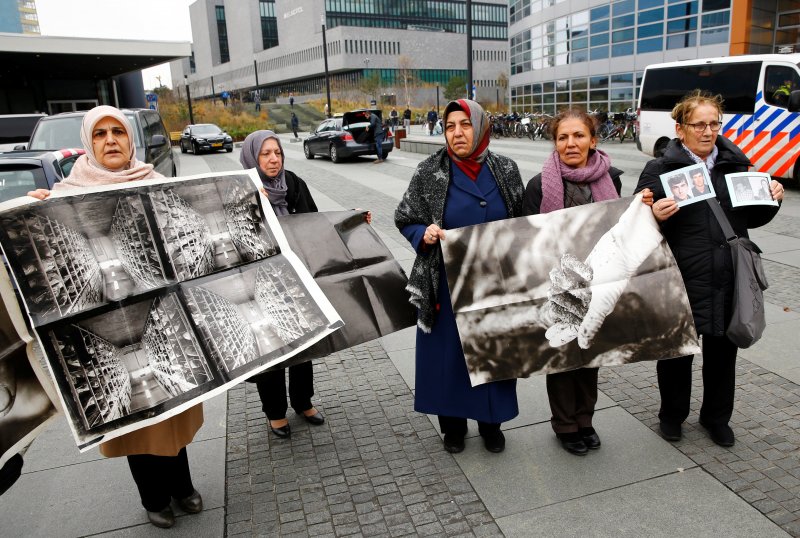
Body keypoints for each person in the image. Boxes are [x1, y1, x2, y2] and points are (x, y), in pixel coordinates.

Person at [27, 105, 204, 529]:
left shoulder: (156, 184)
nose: (111, 140)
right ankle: (155, 498)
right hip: (111, 324)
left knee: (172, 405)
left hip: (161, 316)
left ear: (130, 139)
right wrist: (32, 211)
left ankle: (182, 485)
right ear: (89, 141)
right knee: (138, 426)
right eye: (101, 133)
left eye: (118, 132)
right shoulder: (66, 194)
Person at [635, 90, 784, 448]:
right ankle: (672, 416)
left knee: (722, 352)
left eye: (714, 123)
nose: (707, 131)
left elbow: (749, 216)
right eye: (698, 124)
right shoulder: (660, 168)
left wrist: (772, 198)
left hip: (727, 275)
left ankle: (717, 418)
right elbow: (637, 218)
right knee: (677, 352)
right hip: (680, 276)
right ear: (680, 127)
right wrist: (652, 213)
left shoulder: (735, 164)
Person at [395, 99, 523, 454]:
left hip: (494, 284)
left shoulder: (506, 169)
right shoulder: (429, 172)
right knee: (449, 360)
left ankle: (490, 424)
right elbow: (405, 217)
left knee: (492, 354)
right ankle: (452, 426)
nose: (457, 133)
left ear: (481, 127)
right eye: (450, 126)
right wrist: (424, 233)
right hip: (447, 285)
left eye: (465, 125)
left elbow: (523, 222)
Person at [522, 108, 623, 456]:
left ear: (593, 140)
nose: (571, 143)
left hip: (599, 279)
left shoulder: (614, 179)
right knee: (563, 353)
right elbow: (526, 237)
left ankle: (586, 419)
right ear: (555, 143)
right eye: (563, 137)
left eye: (578, 135)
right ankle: (565, 424)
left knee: (589, 351)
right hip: (558, 282)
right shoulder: (539, 185)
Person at [239, 130, 326, 439]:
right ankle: (275, 412)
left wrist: (350, 220)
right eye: (265, 154)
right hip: (261, 284)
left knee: (304, 341)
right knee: (272, 348)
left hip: (297, 280)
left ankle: (303, 401)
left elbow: (313, 223)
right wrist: (253, 203)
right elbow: (236, 241)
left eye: (277, 152)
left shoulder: (293, 183)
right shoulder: (239, 190)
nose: (273, 159)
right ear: (252, 157)